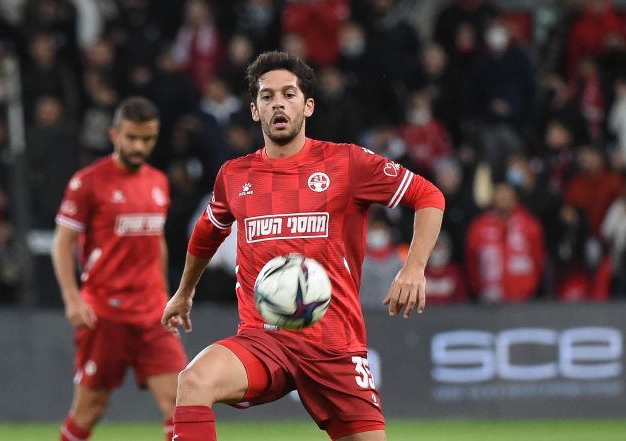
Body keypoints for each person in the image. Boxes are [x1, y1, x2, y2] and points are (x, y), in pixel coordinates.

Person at [162, 51, 445, 441]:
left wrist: (413, 268)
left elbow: (428, 196)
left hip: (333, 346)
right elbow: (208, 232)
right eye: (267, 96)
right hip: (263, 340)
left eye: (289, 94)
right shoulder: (234, 175)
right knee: (192, 380)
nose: (278, 103)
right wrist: (183, 292)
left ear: (307, 106)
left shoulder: (347, 163)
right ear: (255, 110)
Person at [52, 97, 187, 441]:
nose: (139, 146)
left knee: (181, 405)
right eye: (132, 138)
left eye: (148, 139)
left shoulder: (158, 181)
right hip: (105, 313)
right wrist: (72, 298)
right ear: (114, 135)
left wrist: (167, 297)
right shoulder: (87, 183)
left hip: (152, 313)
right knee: (90, 409)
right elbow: (62, 244)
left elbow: (157, 242)